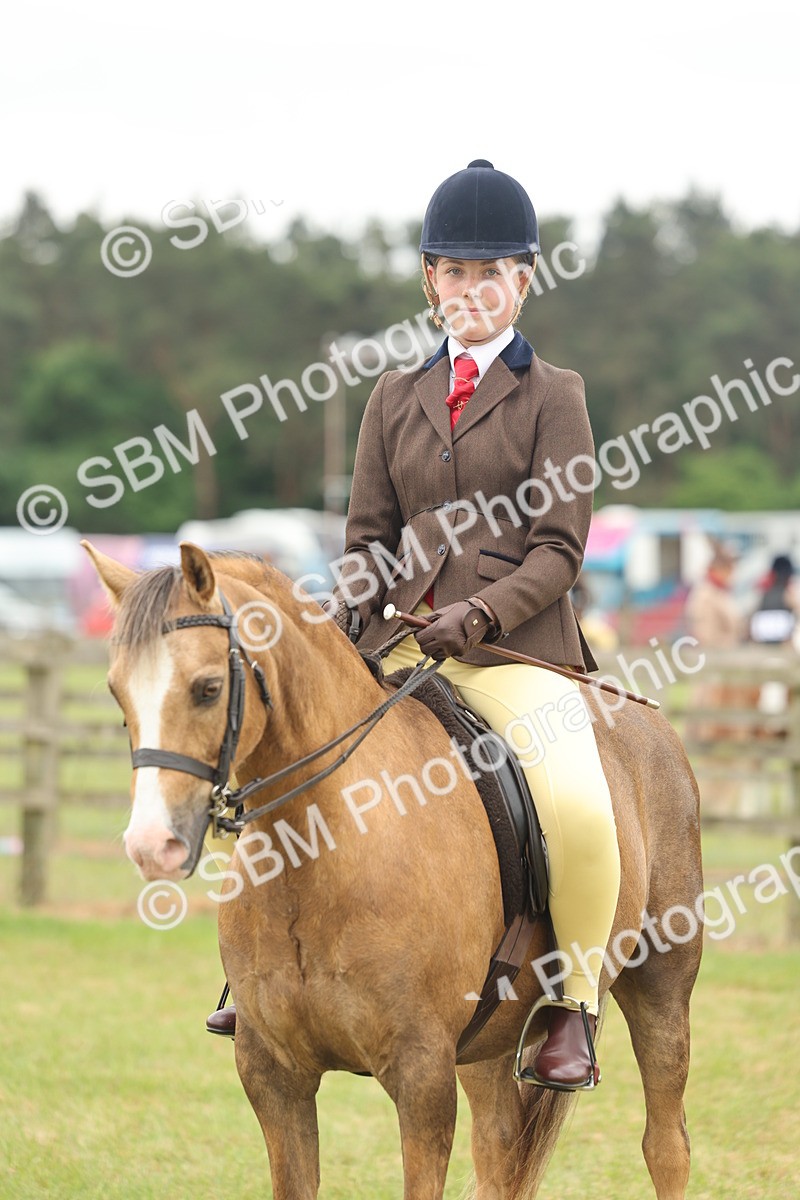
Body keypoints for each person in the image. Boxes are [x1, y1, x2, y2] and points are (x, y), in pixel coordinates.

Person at [324, 160, 619, 1091]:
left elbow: (561, 547)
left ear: (524, 280)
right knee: (294, 759)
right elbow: (369, 538)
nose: (473, 290)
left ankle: (573, 1003)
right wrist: (342, 625)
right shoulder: (389, 399)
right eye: (456, 272)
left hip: (513, 649)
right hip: (401, 645)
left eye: (492, 273)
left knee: (573, 797)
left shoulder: (554, 394)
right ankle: (268, 977)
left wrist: (482, 610)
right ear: (430, 282)